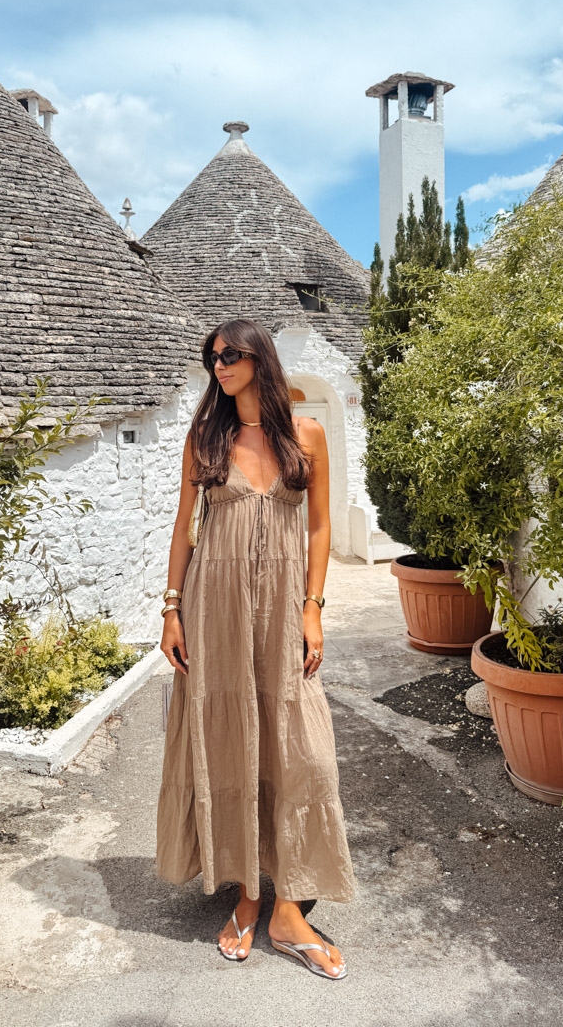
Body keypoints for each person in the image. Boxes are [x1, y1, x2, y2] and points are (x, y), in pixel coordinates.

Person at [155, 318, 355, 979]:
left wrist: (313, 607)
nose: (220, 365)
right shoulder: (205, 438)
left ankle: (290, 906)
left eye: (232, 355)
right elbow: (185, 530)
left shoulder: (308, 435)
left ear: (259, 359)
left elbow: (322, 526)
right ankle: (247, 895)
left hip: (283, 612)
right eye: (212, 357)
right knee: (232, 738)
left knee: (304, 749)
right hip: (214, 610)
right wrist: (171, 610)